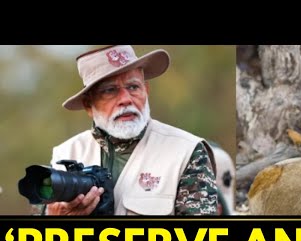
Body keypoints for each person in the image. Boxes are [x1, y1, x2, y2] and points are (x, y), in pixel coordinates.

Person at [44, 45, 218, 216]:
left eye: (133, 87)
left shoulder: (186, 151)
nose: (126, 99)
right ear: (88, 105)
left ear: (146, 90)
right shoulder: (65, 153)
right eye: (110, 91)